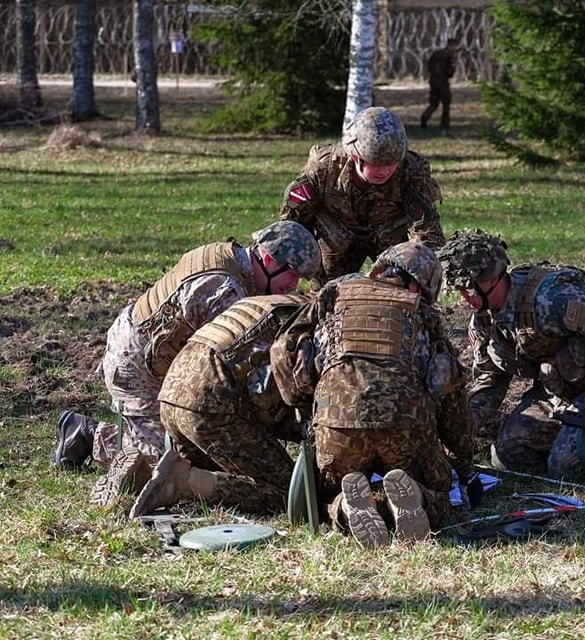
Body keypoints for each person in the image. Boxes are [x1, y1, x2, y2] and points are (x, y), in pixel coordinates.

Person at [53, 221, 322, 508]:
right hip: (137, 366)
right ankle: (89, 434)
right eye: (292, 276)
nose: (293, 286)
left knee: (200, 452)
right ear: (268, 259)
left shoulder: (234, 263)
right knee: (161, 464)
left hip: (159, 358)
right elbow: (223, 363)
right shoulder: (222, 289)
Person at [270, 241, 479, 548]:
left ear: (379, 269)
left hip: (338, 426)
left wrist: (306, 406)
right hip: (405, 428)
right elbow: (447, 389)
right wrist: (463, 464)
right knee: (439, 489)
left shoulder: (332, 297)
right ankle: (417, 497)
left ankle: (343, 505)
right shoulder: (421, 312)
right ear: (421, 286)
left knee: (325, 491)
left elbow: (284, 350)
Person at [435, 229, 585, 481]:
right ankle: (570, 439)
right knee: (507, 455)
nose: (463, 298)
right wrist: (459, 431)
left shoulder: (550, 299)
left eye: (468, 288)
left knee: (566, 468)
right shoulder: (484, 322)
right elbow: (489, 381)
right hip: (556, 394)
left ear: (491, 278)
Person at [129, 293, 311, 519]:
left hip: (171, 392)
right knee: (292, 491)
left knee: (218, 471)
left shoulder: (278, 302)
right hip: (210, 405)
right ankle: (185, 482)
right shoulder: (307, 323)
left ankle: (141, 479)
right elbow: (282, 392)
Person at [278, 106, 445, 289]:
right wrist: (300, 268)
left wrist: (415, 274)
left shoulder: (412, 170)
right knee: (326, 299)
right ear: (356, 157)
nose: (385, 170)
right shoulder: (323, 168)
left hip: (391, 240)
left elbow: (427, 233)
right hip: (336, 241)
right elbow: (292, 226)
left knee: (402, 295)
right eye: (377, 164)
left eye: (392, 164)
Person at [420, 38, 458, 131]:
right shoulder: (449, 57)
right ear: (451, 46)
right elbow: (449, 72)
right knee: (446, 103)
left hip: (433, 81)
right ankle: (445, 124)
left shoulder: (436, 54)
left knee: (434, 103)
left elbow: (429, 66)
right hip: (443, 82)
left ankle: (424, 118)